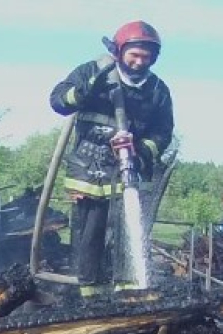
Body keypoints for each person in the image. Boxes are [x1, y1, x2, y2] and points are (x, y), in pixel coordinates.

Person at [50, 20, 174, 297]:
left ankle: (128, 294)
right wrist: (84, 92)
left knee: (126, 234)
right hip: (88, 169)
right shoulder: (93, 71)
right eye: (135, 55)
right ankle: (90, 297)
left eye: (147, 56)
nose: (140, 62)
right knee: (90, 235)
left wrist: (139, 148)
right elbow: (58, 101)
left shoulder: (157, 90)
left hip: (130, 169)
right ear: (120, 51)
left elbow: (163, 133)